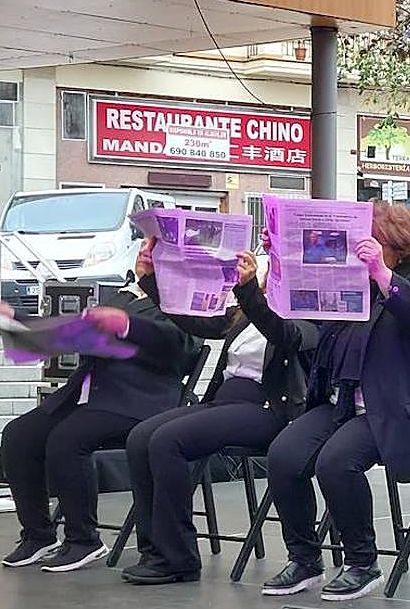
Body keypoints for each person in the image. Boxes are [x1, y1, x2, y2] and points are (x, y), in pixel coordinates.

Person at [261, 202, 410, 601]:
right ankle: (303, 558)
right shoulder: (347, 284)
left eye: (374, 240)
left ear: (399, 244)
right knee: (283, 455)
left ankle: (362, 562)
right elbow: (294, 324)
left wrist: (382, 274)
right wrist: (276, 263)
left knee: (336, 462)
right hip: (343, 402)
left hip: (396, 408)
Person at [121, 241, 318, 585]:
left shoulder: (308, 314)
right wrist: (152, 280)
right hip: (226, 401)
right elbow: (200, 323)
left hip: (268, 409)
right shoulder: (249, 309)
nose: (272, 274)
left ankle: (178, 557)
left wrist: (249, 294)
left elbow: (284, 335)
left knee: (169, 441)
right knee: (141, 437)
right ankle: (154, 548)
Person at [0, 280, 196, 572]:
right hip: (88, 393)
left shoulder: (181, 299)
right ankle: (38, 534)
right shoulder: (121, 296)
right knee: (19, 434)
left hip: (138, 400)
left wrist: (127, 326)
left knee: (67, 438)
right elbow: (73, 335)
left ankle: (83, 540)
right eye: (142, 249)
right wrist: (18, 323)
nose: (144, 255)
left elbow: (183, 349)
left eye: (152, 250)